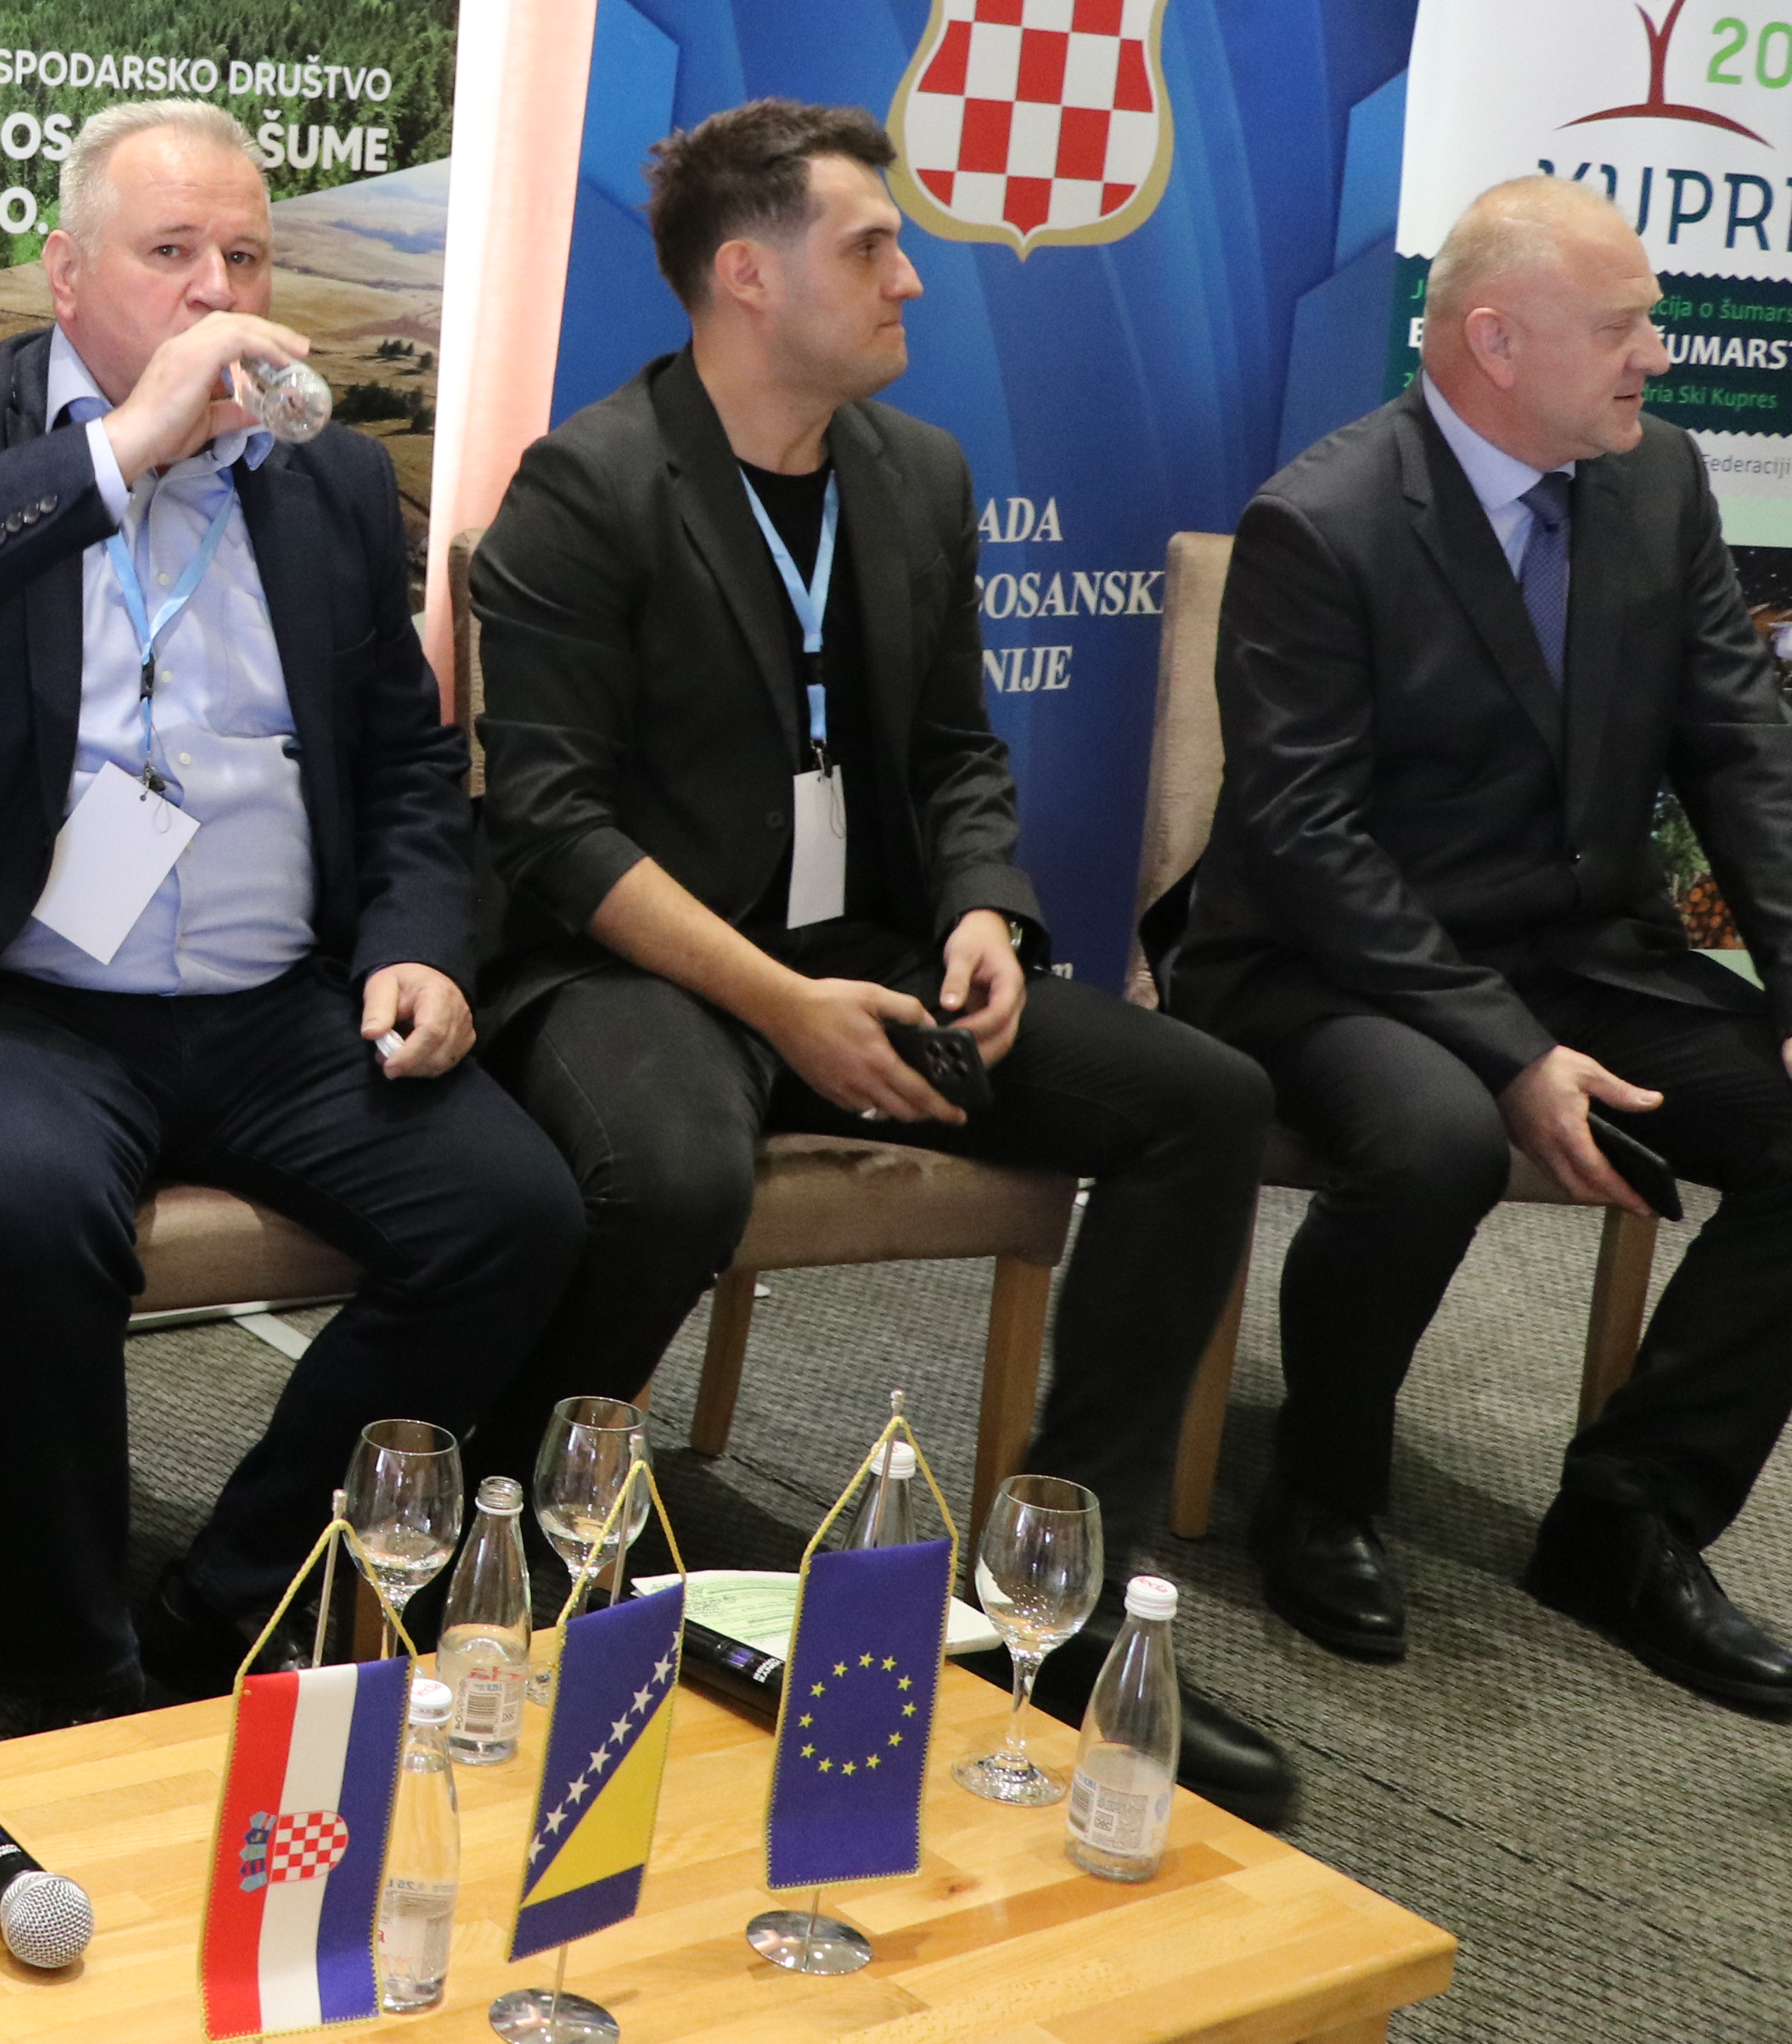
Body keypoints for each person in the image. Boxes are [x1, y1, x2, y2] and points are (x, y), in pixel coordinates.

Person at [468, 96, 1291, 1822]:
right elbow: (552, 827)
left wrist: (987, 910)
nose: (913, 276)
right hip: (641, 966)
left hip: (870, 951)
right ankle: (518, 1534)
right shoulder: (589, 488)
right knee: (671, 1170)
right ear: (748, 277)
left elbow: (956, 750)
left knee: (1203, 1101)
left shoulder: (917, 473)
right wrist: (779, 1004)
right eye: (871, 246)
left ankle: (1064, 1587)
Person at [0, 98, 582, 1724]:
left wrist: (419, 940)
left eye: (247, 255)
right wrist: (119, 450)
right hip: (13, 995)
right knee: (28, 1201)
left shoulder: (329, 475)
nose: (219, 289)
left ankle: (233, 1601)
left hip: (275, 1002)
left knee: (514, 1207)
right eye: (173, 251)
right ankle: (70, 1681)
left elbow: (410, 760)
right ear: (68, 273)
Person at [1171, 174, 1792, 1720]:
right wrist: (1513, 1052)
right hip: (1327, 959)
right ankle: (1323, 1488)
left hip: (1574, 944)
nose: (1656, 354)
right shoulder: (1323, 521)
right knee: (1436, 1136)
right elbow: (1311, 842)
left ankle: (1626, 1519)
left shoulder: (1659, 479)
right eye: (1622, 326)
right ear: (1495, 339)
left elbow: (1744, 750)